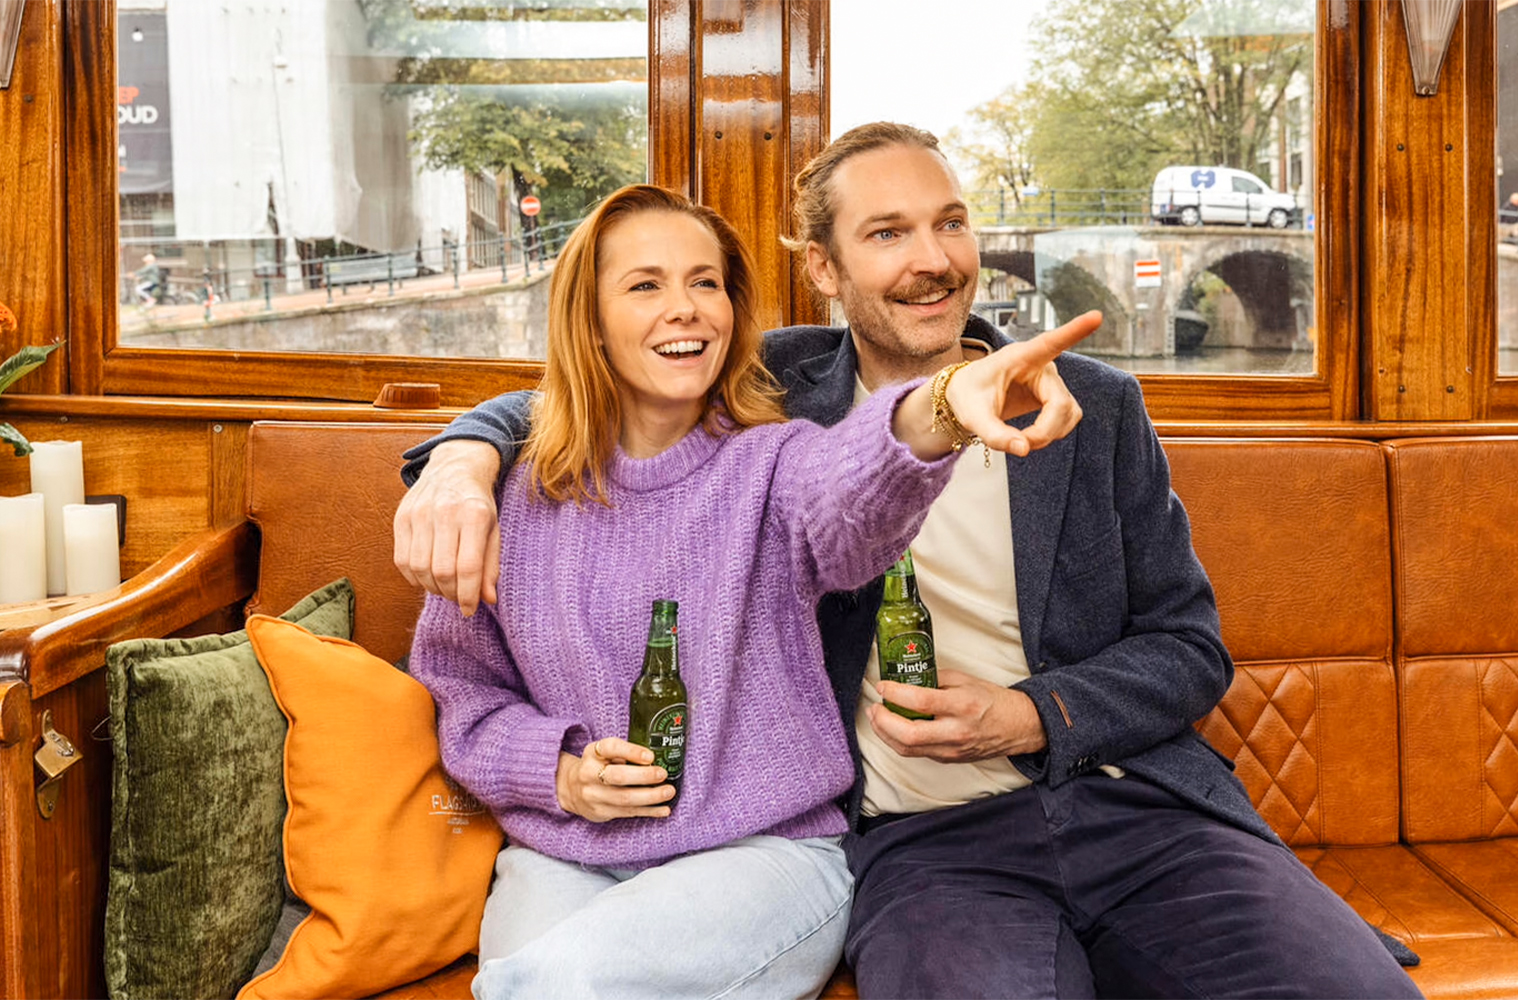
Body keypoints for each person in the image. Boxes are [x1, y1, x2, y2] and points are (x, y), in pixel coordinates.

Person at [396, 125, 1423, 999]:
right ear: (826, 270)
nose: (932, 258)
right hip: (925, 846)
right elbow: (595, 387)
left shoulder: (1092, 406)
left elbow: (1189, 648)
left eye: (949, 222)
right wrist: (462, 456)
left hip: (1134, 809)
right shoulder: (769, 398)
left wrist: (1034, 712)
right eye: (887, 234)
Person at [405, 182, 1096, 1000]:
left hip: (764, 858)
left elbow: (851, 499)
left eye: (707, 283)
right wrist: (555, 773)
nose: (688, 309)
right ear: (587, 321)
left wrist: (941, 406)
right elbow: (465, 697)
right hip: (568, 849)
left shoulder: (775, 463)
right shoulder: (511, 495)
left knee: (551, 986)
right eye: (645, 285)